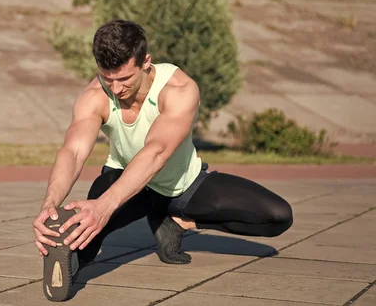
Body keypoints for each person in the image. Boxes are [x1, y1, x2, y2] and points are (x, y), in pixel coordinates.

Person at [32, 19, 293, 302]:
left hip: (181, 185)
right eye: (108, 78)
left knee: (277, 216)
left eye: (124, 79)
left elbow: (157, 151)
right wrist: (50, 204)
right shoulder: (94, 95)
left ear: (146, 62)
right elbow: (73, 151)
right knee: (82, 237)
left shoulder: (179, 89)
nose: (116, 89)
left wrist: (105, 206)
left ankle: (179, 222)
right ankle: (70, 260)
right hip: (126, 182)